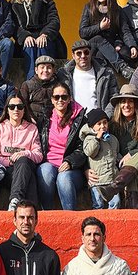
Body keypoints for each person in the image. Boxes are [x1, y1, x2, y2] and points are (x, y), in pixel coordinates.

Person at [36, 81, 88, 211]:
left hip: (73, 168)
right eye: (56, 97)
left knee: (63, 178)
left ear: (70, 99)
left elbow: (83, 147)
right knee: (45, 171)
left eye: (64, 97)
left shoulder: (80, 119)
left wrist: (70, 162)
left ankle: (70, 217)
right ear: (52, 100)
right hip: (49, 163)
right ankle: (47, 215)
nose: (60, 100)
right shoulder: (44, 118)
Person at [0, 94, 43, 210]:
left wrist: (24, 154)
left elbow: (39, 156)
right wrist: (8, 161)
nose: (16, 110)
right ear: (7, 110)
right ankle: (33, 212)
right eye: (12, 107)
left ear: (24, 110)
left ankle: (15, 200)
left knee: (23, 162)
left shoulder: (32, 128)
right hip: (4, 170)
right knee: (30, 179)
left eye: (20, 106)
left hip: (25, 166)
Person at [10, 0, 64, 76]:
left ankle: (47, 79)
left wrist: (45, 34)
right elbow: (13, 26)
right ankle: (31, 83)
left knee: (42, 44)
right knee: (29, 45)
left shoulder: (46, 0)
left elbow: (54, 20)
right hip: (25, 42)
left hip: (47, 39)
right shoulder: (12, 4)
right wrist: (25, 36)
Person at [79, 0, 134, 76]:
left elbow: (124, 31)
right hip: (92, 46)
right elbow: (82, 32)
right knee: (98, 39)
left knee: (104, 55)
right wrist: (99, 27)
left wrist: (131, 45)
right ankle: (122, 67)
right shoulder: (88, 8)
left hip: (109, 46)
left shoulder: (117, 9)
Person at [63, 38, 122, 113]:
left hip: (99, 122)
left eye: (86, 52)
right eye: (79, 53)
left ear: (90, 53)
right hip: (74, 121)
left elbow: (114, 97)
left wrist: (105, 117)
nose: (83, 56)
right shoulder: (64, 74)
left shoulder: (106, 74)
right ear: (73, 55)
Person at [80, 108, 123, 209]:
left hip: (112, 180)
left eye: (105, 123)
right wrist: (97, 139)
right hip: (97, 181)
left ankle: (112, 223)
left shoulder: (113, 139)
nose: (102, 126)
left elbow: (116, 154)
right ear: (92, 127)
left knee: (115, 203)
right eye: (98, 124)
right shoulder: (89, 139)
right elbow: (90, 152)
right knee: (98, 204)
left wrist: (122, 161)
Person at [18, 53, 69, 125]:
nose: (45, 70)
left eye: (49, 67)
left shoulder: (58, 86)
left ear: (53, 70)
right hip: (32, 122)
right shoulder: (27, 85)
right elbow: (22, 104)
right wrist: (29, 118)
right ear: (36, 70)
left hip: (54, 122)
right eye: (42, 67)